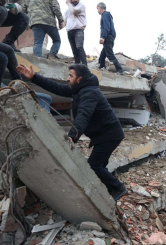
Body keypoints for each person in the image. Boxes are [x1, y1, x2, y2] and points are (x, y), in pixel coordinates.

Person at [16, 63, 128, 201]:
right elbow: (56, 87)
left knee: (94, 166)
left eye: (70, 76)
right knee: (99, 166)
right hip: (104, 134)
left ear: (79, 79)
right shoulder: (80, 89)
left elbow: (84, 115)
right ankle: (108, 191)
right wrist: (33, 77)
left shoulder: (89, 93)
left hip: (109, 135)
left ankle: (118, 188)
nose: (67, 79)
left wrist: (72, 136)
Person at [97, 2, 123, 73]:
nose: (97, 11)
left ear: (100, 7)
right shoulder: (108, 15)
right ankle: (102, 67)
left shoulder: (105, 15)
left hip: (107, 37)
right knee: (102, 56)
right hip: (110, 37)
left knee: (110, 54)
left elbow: (106, 27)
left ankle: (119, 69)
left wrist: (103, 37)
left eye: (97, 9)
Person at [64, 0, 87, 66]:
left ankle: (84, 65)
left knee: (79, 47)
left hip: (78, 30)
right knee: (74, 50)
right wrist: (56, 27)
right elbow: (63, 22)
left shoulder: (81, 6)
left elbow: (74, 11)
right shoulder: (68, 10)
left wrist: (68, 3)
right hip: (70, 31)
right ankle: (77, 66)